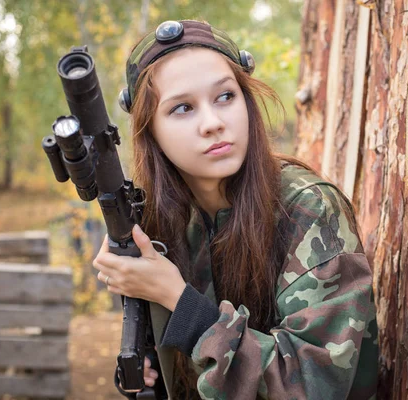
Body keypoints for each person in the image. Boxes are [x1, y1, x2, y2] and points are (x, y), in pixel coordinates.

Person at [93, 19, 378, 399]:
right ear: (152, 133)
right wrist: (145, 371)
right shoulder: (166, 222)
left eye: (225, 97)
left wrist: (181, 304)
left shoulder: (308, 210)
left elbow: (315, 386)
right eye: (182, 108)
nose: (213, 123)